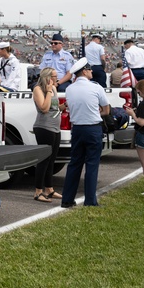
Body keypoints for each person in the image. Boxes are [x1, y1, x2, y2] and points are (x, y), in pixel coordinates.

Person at [60, 59, 110, 207]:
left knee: (74, 164)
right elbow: (106, 110)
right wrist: (94, 113)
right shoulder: (96, 88)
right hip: (93, 127)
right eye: (89, 70)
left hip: (77, 129)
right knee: (92, 165)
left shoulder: (69, 89)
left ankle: (67, 199)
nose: (92, 72)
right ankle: (90, 201)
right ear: (84, 71)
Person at [31, 67, 63, 202]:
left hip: (55, 128)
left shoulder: (54, 89)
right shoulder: (39, 89)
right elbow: (44, 108)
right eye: (54, 77)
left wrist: (65, 105)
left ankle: (49, 189)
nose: (57, 79)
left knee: (52, 160)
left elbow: (55, 107)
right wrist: (49, 91)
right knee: (44, 160)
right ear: (48, 78)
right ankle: (38, 191)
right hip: (44, 128)